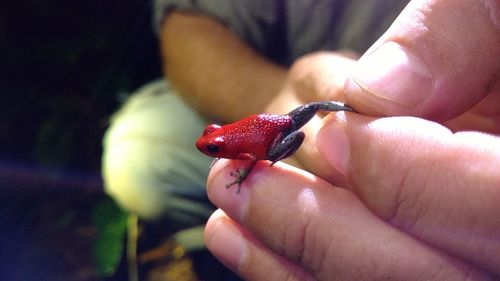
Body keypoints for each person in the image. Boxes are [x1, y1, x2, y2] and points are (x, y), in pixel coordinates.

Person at [104, 0, 500, 280]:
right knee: (140, 150)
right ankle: (217, 244)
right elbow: (189, 30)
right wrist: (280, 90)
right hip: (275, 99)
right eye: (214, 145)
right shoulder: (236, 146)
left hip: (293, 126)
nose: (213, 146)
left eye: (214, 147)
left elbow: (254, 155)